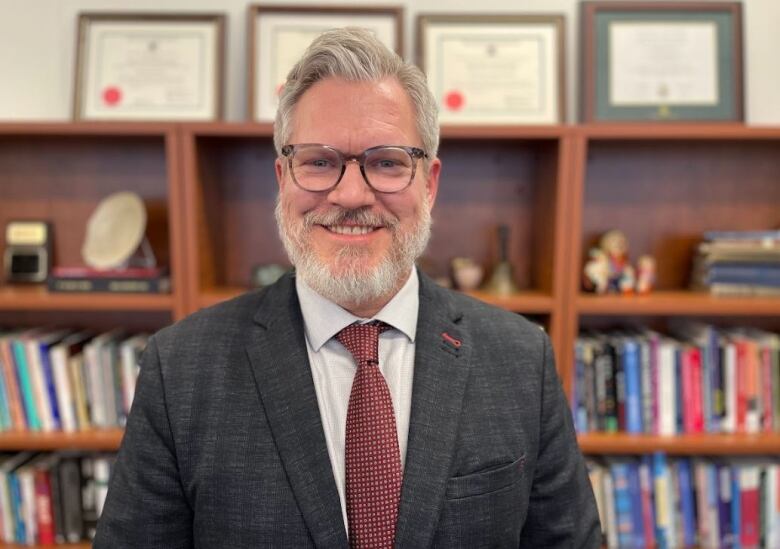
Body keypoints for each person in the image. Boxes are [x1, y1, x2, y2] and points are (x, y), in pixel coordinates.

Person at [94, 28, 600, 548]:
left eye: (386, 163)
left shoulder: (520, 357)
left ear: (429, 183)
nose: (352, 194)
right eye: (318, 161)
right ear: (283, 178)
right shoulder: (180, 367)